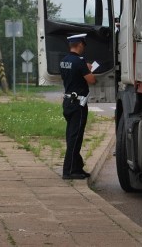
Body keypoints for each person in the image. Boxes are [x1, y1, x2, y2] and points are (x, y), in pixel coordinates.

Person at [60, 33, 96, 180]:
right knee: (76, 138)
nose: (84, 48)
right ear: (80, 44)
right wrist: (88, 69)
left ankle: (77, 167)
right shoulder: (79, 62)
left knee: (71, 136)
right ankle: (68, 171)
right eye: (83, 45)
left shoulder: (64, 61)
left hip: (68, 102)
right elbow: (92, 80)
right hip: (78, 105)